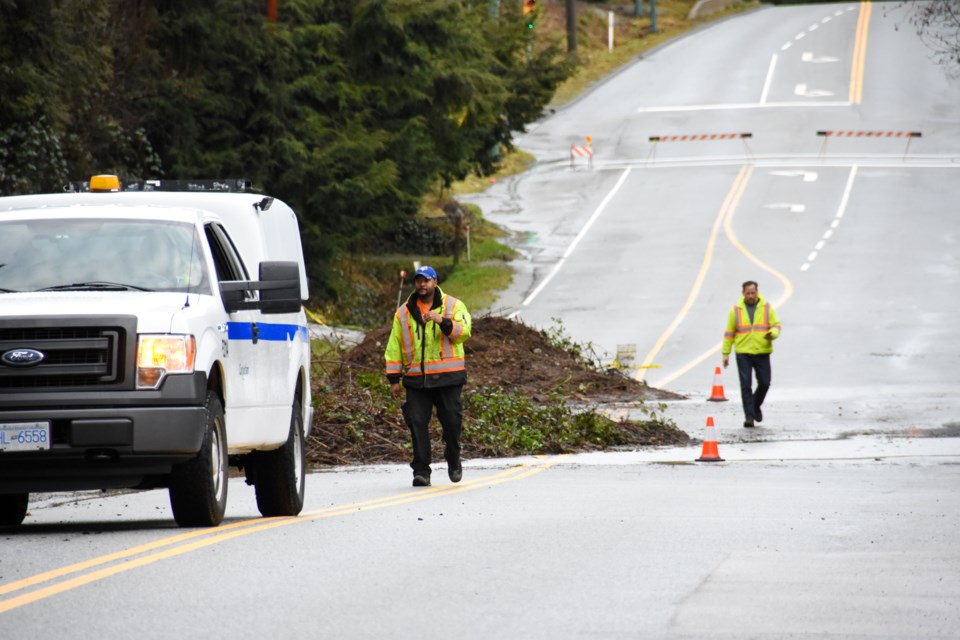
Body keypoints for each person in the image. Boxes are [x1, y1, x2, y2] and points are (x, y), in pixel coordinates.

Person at [384, 265, 472, 487]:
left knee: (452, 423)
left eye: (426, 280)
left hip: (448, 378)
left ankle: (453, 459)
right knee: (416, 422)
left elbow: (464, 333)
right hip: (416, 380)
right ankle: (421, 471)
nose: (422, 284)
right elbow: (394, 346)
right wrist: (394, 379)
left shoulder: (453, 305)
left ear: (435, 282)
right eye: (418, 280)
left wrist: (442, 321)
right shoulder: (403, 312)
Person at [722, 280, 781, 428]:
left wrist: (772, 334)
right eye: (747, 293)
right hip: (743, 352)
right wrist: (726, 353)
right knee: (745, 385)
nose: (750, 295)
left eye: (753, 292)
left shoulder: (766, 308)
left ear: (757, 292)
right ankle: (749, 416)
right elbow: (729, 333)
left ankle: (755, 406)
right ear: (743, 293)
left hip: (762, 351)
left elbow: (776, 325)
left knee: (765, 383)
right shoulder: (736, 310)